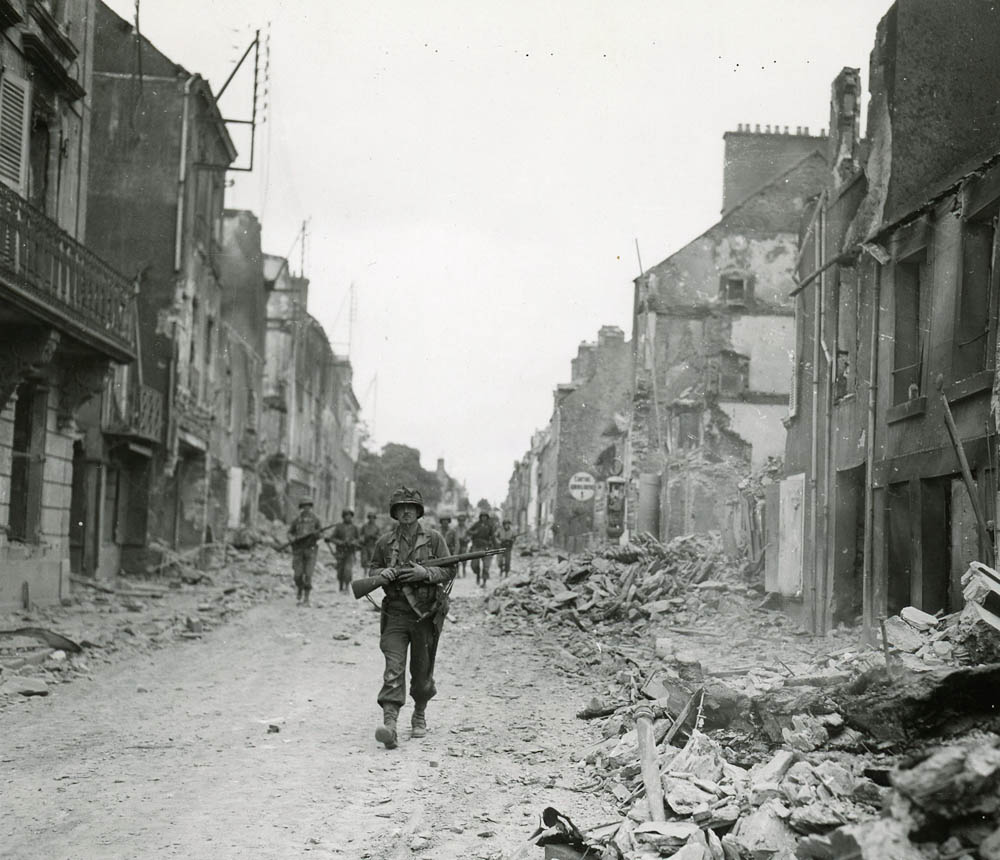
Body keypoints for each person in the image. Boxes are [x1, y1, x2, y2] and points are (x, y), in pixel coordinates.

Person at [367, 486, 456, 749]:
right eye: (401, 507)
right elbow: (372, 568)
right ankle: (390, 724)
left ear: (419, 511)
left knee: (422, 670)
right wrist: (384, 574)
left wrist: (425, 574)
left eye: (411, 507)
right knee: (393, 668)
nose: (406, 511)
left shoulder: (434, 539)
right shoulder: (385, 542)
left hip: (425, 615)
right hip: (395, 613)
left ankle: (419, 713)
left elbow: (449, 569)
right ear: (394, 512)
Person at [287, 499, 322, 605]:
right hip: (298, 550)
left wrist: (316, 535)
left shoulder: (316, 519)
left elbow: (321, 534)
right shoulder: (297, 520)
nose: (306, 508)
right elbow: (289, 532)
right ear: (301, 507)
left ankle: (306, 597)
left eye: (308, 506)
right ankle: (299, 588)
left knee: (308, 574)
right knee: (297, 575)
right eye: (304, 506)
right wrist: (292, 538)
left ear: (311, 507)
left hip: (310, 550)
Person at [329, 509, 361, 592]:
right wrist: (340, 542)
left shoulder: (355, 528)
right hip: (340, 552)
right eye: (347, 515)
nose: (348, 517)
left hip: (350, 552)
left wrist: (353, 542)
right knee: (340, 570)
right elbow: (332, 538)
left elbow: (359, 539)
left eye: (350, 516)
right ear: (343, 517)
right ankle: (340, 585)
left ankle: (347, 587)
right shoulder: (339, 527)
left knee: (348, 570)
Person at [467, 511, 498, 587]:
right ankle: (477, 574)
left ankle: (484, 582)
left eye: (485, 516)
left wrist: (496, 547)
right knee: (474, 564)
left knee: (486, 566)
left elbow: (493, 537)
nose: (483, 518)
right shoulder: (476, 524)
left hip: (486, 547)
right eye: (482, 516)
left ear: (487, 517)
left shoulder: (490, 525)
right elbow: (468, 531)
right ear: (480, 517)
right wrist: (474, 532)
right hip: (476, 546)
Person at [455, 513, 470, 577]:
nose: (461, 522)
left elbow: (469, 536)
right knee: (457, 559)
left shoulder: (467, 528)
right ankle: (458, 572)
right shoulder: (455, 528)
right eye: (460, 520)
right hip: (457, 544)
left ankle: (464, 570)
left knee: (464, 558)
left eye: (462, 520)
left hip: (464, 544)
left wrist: (466, 539)